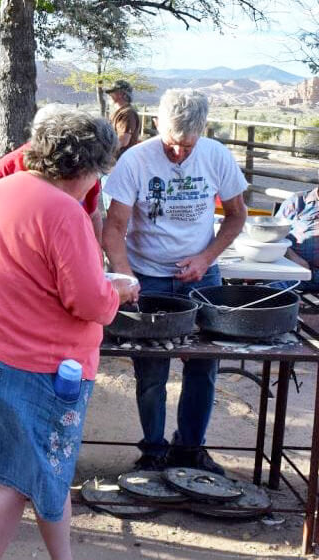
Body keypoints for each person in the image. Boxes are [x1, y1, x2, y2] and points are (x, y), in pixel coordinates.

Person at [0, 108, 131, 560]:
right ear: (87, 167)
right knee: (12, 480)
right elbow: (89, 303)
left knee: (45, 468)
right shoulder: (64, 211)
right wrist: (116, 291)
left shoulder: (2, 187)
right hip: (23, 364)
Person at [102, 89, 248, 475]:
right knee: (151, 368)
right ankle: (153, 449)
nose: (179, 153)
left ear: (204, 132)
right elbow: (114, 227)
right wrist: (124, 272)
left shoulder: (216, 156)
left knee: (204, 365)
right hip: (147, 276)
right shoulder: (135, 160)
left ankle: (190, 448)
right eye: (171, 143)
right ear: (156, 126)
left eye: (187, 145)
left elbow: (236, 215)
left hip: (200, 278)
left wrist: (205, 258)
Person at [0, 104, 104, 241]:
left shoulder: (83, 167)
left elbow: (93, 214)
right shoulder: (7, 168)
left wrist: (96, 253)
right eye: (51, 140)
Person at [277, 178, 319, 291]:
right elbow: (273, 236)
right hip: (296, 271)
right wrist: (292, 256)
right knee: (273, 278)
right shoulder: (297, 201)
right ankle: (286, 304)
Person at [105, 79, 141, 157]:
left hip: (120, 160)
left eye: (112, 92)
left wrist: (103, 151)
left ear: (120, 94)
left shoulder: (127, 113)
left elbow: (123, 141)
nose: (109, 95)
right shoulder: (121, 112)